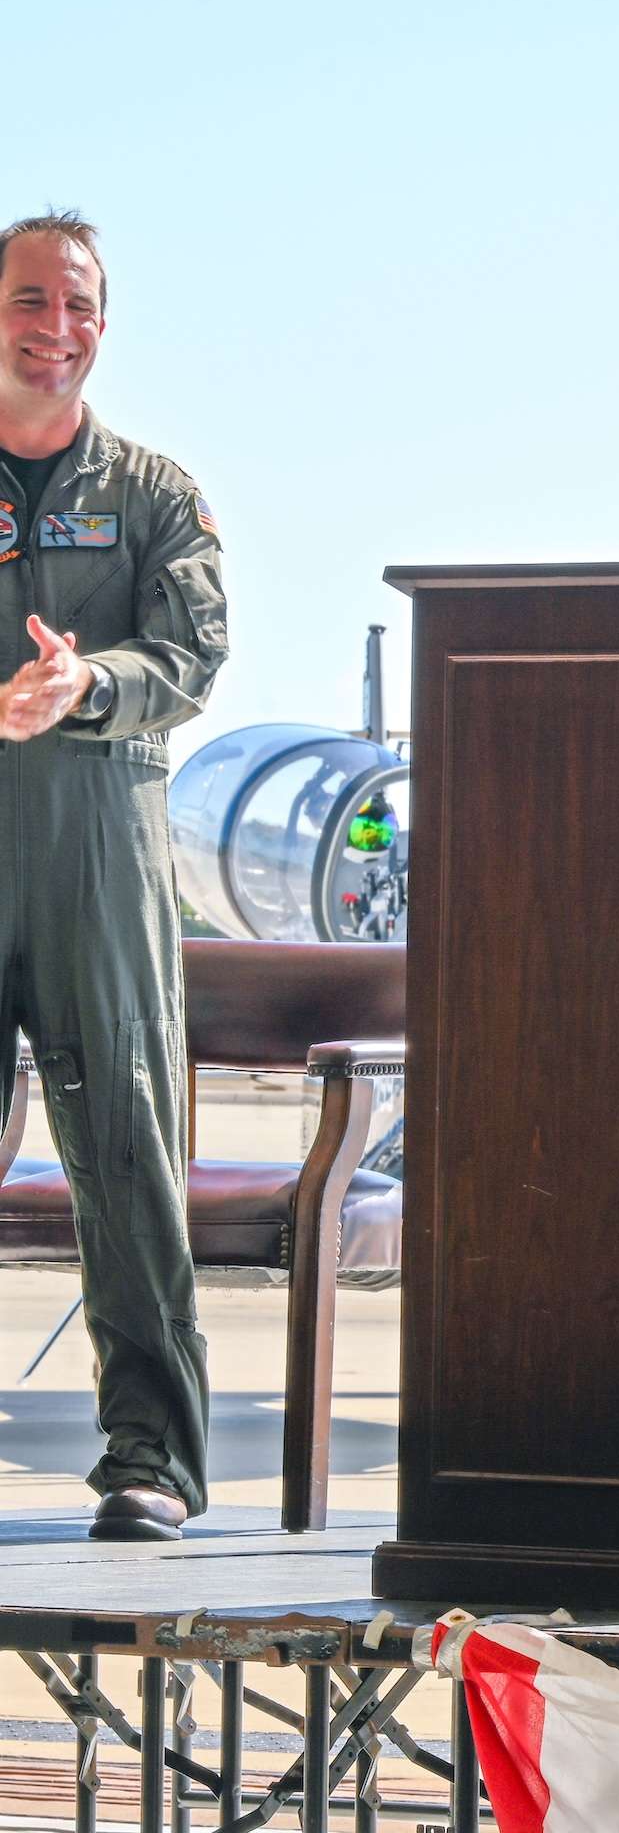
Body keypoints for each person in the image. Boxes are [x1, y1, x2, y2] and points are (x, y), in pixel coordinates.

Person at [0, 211, 229, 1541]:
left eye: (78, 304)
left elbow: (192, 657)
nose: (56, 327)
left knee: (130, 1158)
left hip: (99, 859)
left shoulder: (151, 494)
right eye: (32, 299)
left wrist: (88, 684)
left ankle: (151, 1457)